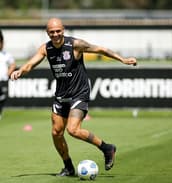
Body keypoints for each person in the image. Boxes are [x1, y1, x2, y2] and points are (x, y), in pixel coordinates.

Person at [10, 18, 137, 176]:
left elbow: (100, 50)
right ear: (47, 33)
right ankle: (68, 167)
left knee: (73, 130)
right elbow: (30, 64)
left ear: (63, 29)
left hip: (79, 93)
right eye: (52, 32)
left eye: (58, 31)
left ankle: (107, 148)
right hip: (61, 96)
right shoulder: (46, 48)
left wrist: (123, 60)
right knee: (56, 133)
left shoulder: (75, 45)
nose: (55, 34)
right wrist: (20, 71)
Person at [0, 30, 16, 119]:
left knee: (2, 97)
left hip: (2, 80)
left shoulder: (6, 55)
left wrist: (7, 74)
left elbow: (13, 65)